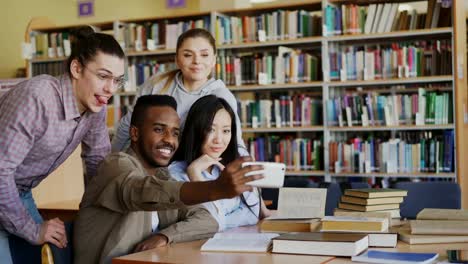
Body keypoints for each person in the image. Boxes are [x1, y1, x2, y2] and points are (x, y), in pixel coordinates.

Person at [74, 95, 263, 264]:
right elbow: (142, 192)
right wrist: (215, 188)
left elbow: (208, 221)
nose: (169, 140)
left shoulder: (162, 175)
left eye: (175, 133)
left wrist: (165, 236)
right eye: (158, 129)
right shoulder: (115, 165)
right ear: (135, 133)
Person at [0, 26, 125, 262]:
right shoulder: (38, 98)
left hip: (18, 192)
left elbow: (98, 161)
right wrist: (32, 230)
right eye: (103, 76)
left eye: (117, 80)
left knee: (46, 252)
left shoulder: (95, 106)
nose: (110, 89)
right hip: (3, 184)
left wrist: (99, 215)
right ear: (76, 68)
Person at [112, 28, 247, 155]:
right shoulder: (157, 84)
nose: (197, 61)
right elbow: (127, 127)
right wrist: (112, 161)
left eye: (204, 55)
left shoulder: (221, 96)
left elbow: (236, 145)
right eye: (188, 55)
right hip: (147, 164)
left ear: (214, 60)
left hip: (191, 169)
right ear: (177, 59)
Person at [169, 95, 271, 230]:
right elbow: (210, 223)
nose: (219, 139)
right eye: (210, 129)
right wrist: (195, 174)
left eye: (226, 131)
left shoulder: (234, 161)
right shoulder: (175, 175)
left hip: (243, 241)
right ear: (196, 130)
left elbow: (255, 212)